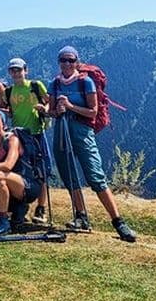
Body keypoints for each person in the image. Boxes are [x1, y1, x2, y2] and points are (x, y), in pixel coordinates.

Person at [48, 46, 137, 242]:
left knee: (95, 176)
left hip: (82, 132)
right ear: (59, 62)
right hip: (62, 131)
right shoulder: (54, 84)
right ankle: (81, 216)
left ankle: (118, 222)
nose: (67, 64)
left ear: (77, 62)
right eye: (63, 60)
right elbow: (52, 111)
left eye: (71, 60)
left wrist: (70, 106)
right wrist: (51, 111)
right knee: (69, 175)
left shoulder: (85, 82)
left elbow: (93, 112)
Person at [0, 109, 40, 236]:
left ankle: (2, 221)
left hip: (26, 185)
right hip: (7, 185)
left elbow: (8, 165)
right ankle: (17, 208)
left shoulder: (12, 139)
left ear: (3, 123)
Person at [5, 57, 51, 224]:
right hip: (19, 136)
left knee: (42, 171)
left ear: (26, 70)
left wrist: (44, 109)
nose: (16, 73)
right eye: (13, 70)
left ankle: (41, 208)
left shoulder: (35, 86)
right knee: (20, 171)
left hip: (37, 133)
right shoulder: (8, 91)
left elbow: (48, 103)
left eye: (19, 70)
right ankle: (21, 207)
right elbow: (8, 109)